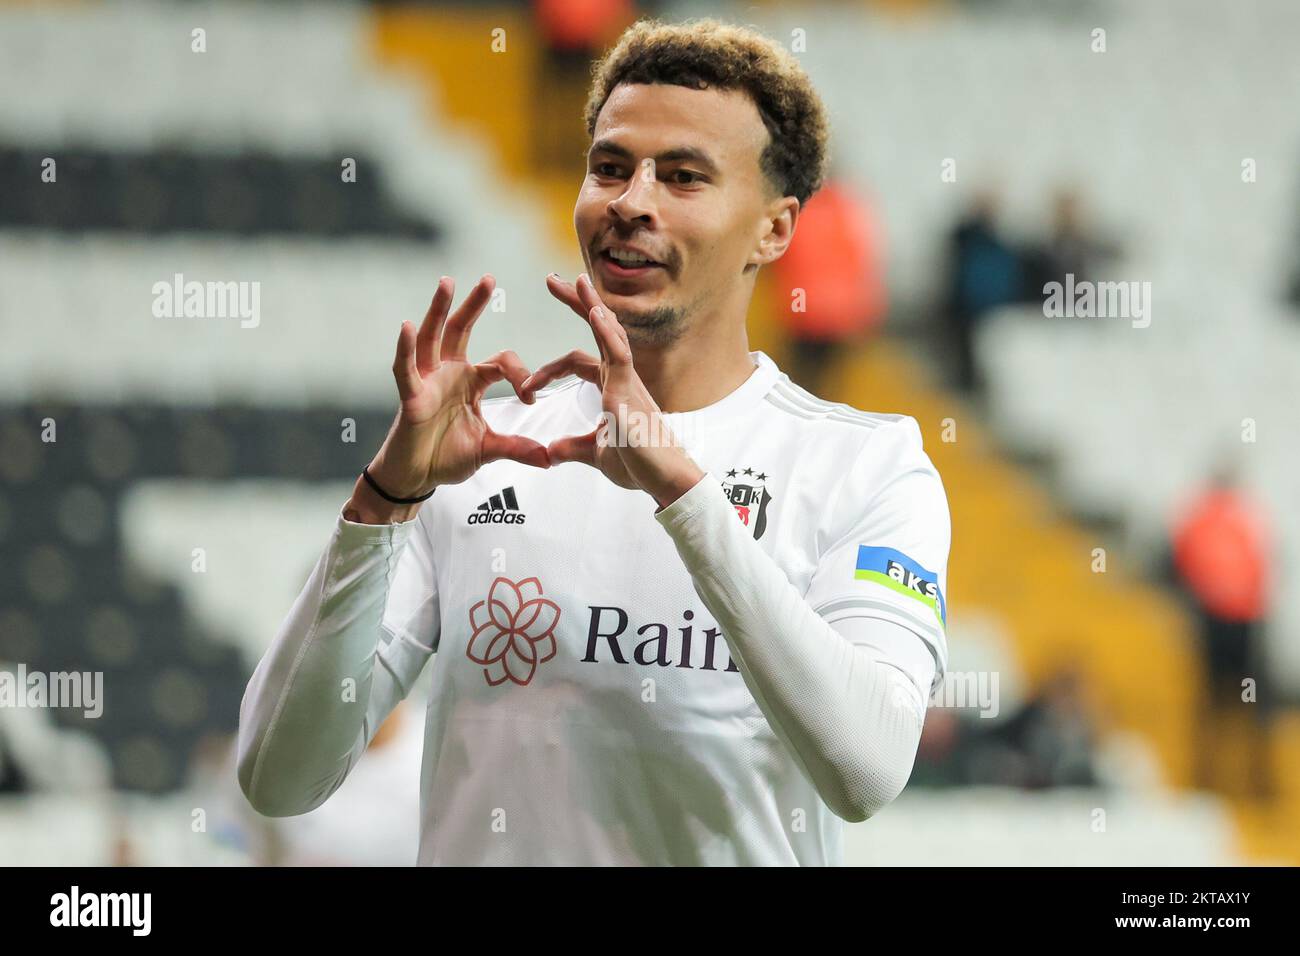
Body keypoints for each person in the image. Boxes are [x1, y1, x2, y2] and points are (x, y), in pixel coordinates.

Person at [237, 18, 951, 866]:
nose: (630, 201)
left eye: (683, 177)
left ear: (774, 229)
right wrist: (385, 499)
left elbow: (866, 770)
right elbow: (278, 779)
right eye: (610, 167)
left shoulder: (867, 465)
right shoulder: (488, 448)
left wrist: (683, 495)